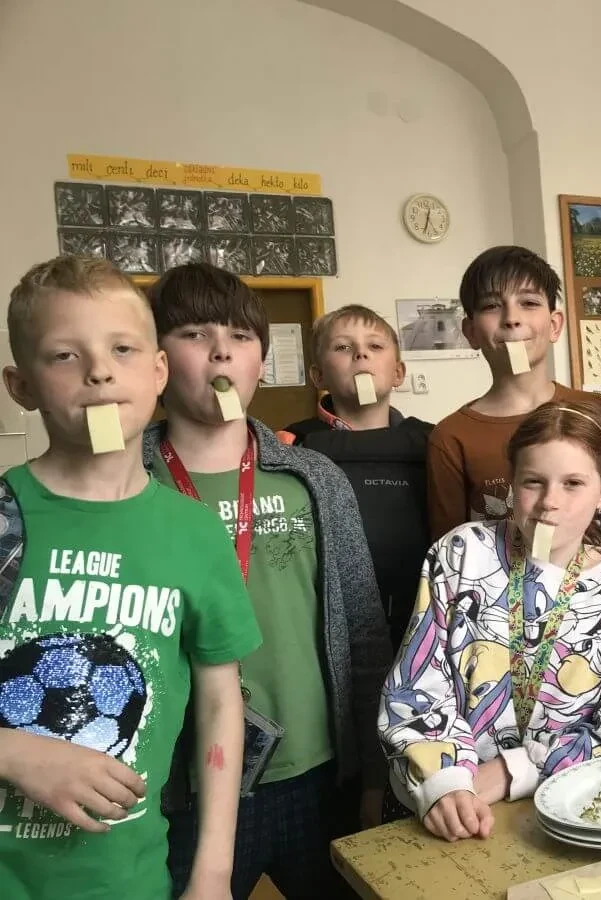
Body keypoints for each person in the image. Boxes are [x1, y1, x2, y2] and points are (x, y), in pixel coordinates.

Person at [0, 256, 260, 899]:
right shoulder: (5, 515)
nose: (99, 371)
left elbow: (221, 703)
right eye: (65, 355)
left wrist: (213, 872)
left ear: (158, 371)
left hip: (130, 880)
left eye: (122, 349)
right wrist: (14, 753)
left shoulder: (194, 533)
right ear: (21, 385)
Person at [142, 262, 392, 899]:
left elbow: (363, 630)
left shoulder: (313, 478)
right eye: (195, 334)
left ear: (260, 359)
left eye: (241, 336)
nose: (221, 351)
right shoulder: (130, 483)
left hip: (318, 774)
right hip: (182, 789)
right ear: (157, 360)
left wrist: (374, 769)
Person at [381, 399, 601, 842]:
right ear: (512, 481)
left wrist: (516, 768)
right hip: (444, 804)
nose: (549, 503)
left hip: (559, 809)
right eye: (534, 482)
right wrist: (445, 781)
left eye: (573, 484)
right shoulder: (460, 555)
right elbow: (416, 685)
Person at [427, 246, 601, 539]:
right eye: (492, 306)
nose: (512, 318)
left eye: (528, 302)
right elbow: (449, 549)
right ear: (470, 332)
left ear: (554, 325)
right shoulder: (451, 437)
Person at [278, 304, 433, 650]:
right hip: (324, 625)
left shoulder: (434, 442)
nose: (361, 354)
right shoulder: (290, 444)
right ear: (318, 376)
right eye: (343, 347)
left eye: (375, 346)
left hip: (419, 620)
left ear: (398, 372)